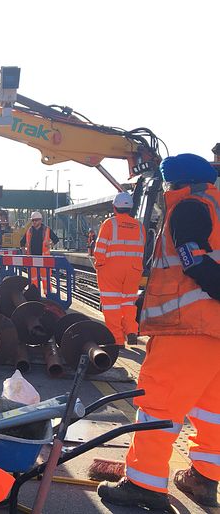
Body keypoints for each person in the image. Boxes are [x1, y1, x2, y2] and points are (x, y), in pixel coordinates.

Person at [98, 153, 220, 509]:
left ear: (176, 184)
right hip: (214, 332)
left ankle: (144, 485)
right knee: (210, 410)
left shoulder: (189, 207)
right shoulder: (216, 207)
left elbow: (192, 259)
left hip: (185, 329)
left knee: (158, 405)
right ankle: (203, 478)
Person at [92, 193, 145, 347]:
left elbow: (99, 249)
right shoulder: (139, 226)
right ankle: (131, 331)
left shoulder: (109, 224)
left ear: (114, 208)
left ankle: (117, 339)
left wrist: (99, 264)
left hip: (112, 270)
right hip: (134, 271)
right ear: (130, 208)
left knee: (111, 305)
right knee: (129, 303)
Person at [20, 211, 59, 293]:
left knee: (46, 278)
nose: (34, 222)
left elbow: (56, 239)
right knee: (33, 279)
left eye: (36, 220)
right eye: (33, 220)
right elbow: (22, 242)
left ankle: (48, 294)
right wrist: (24, 252)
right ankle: (35, 295)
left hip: (44, 259)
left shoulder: (47, 230)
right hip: (32, 259)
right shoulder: (29, 231)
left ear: (40, 220)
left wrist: (50, 244)